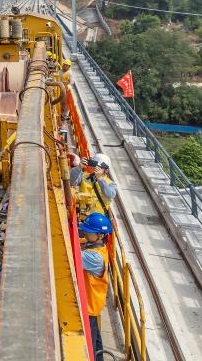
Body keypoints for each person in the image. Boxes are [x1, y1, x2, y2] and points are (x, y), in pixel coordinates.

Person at [79, 212, 113, 360]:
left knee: (89, 348)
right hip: (92, 306)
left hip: (89, 307)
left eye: (89, 231)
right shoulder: (97, 248)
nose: (85, 232)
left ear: (100, 235)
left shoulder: (95, 257)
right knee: (96, 343)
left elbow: (73, 254)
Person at [70, 152, 118, 218]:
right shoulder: (84, 176)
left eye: (99, 167)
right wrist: (78, 168)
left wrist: (100, 179)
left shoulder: (111, 184)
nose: (95, 168)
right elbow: (71, 182)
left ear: (106, 170)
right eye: (94, 166)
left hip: (98, 219)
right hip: (81, 217)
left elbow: (110, 194)